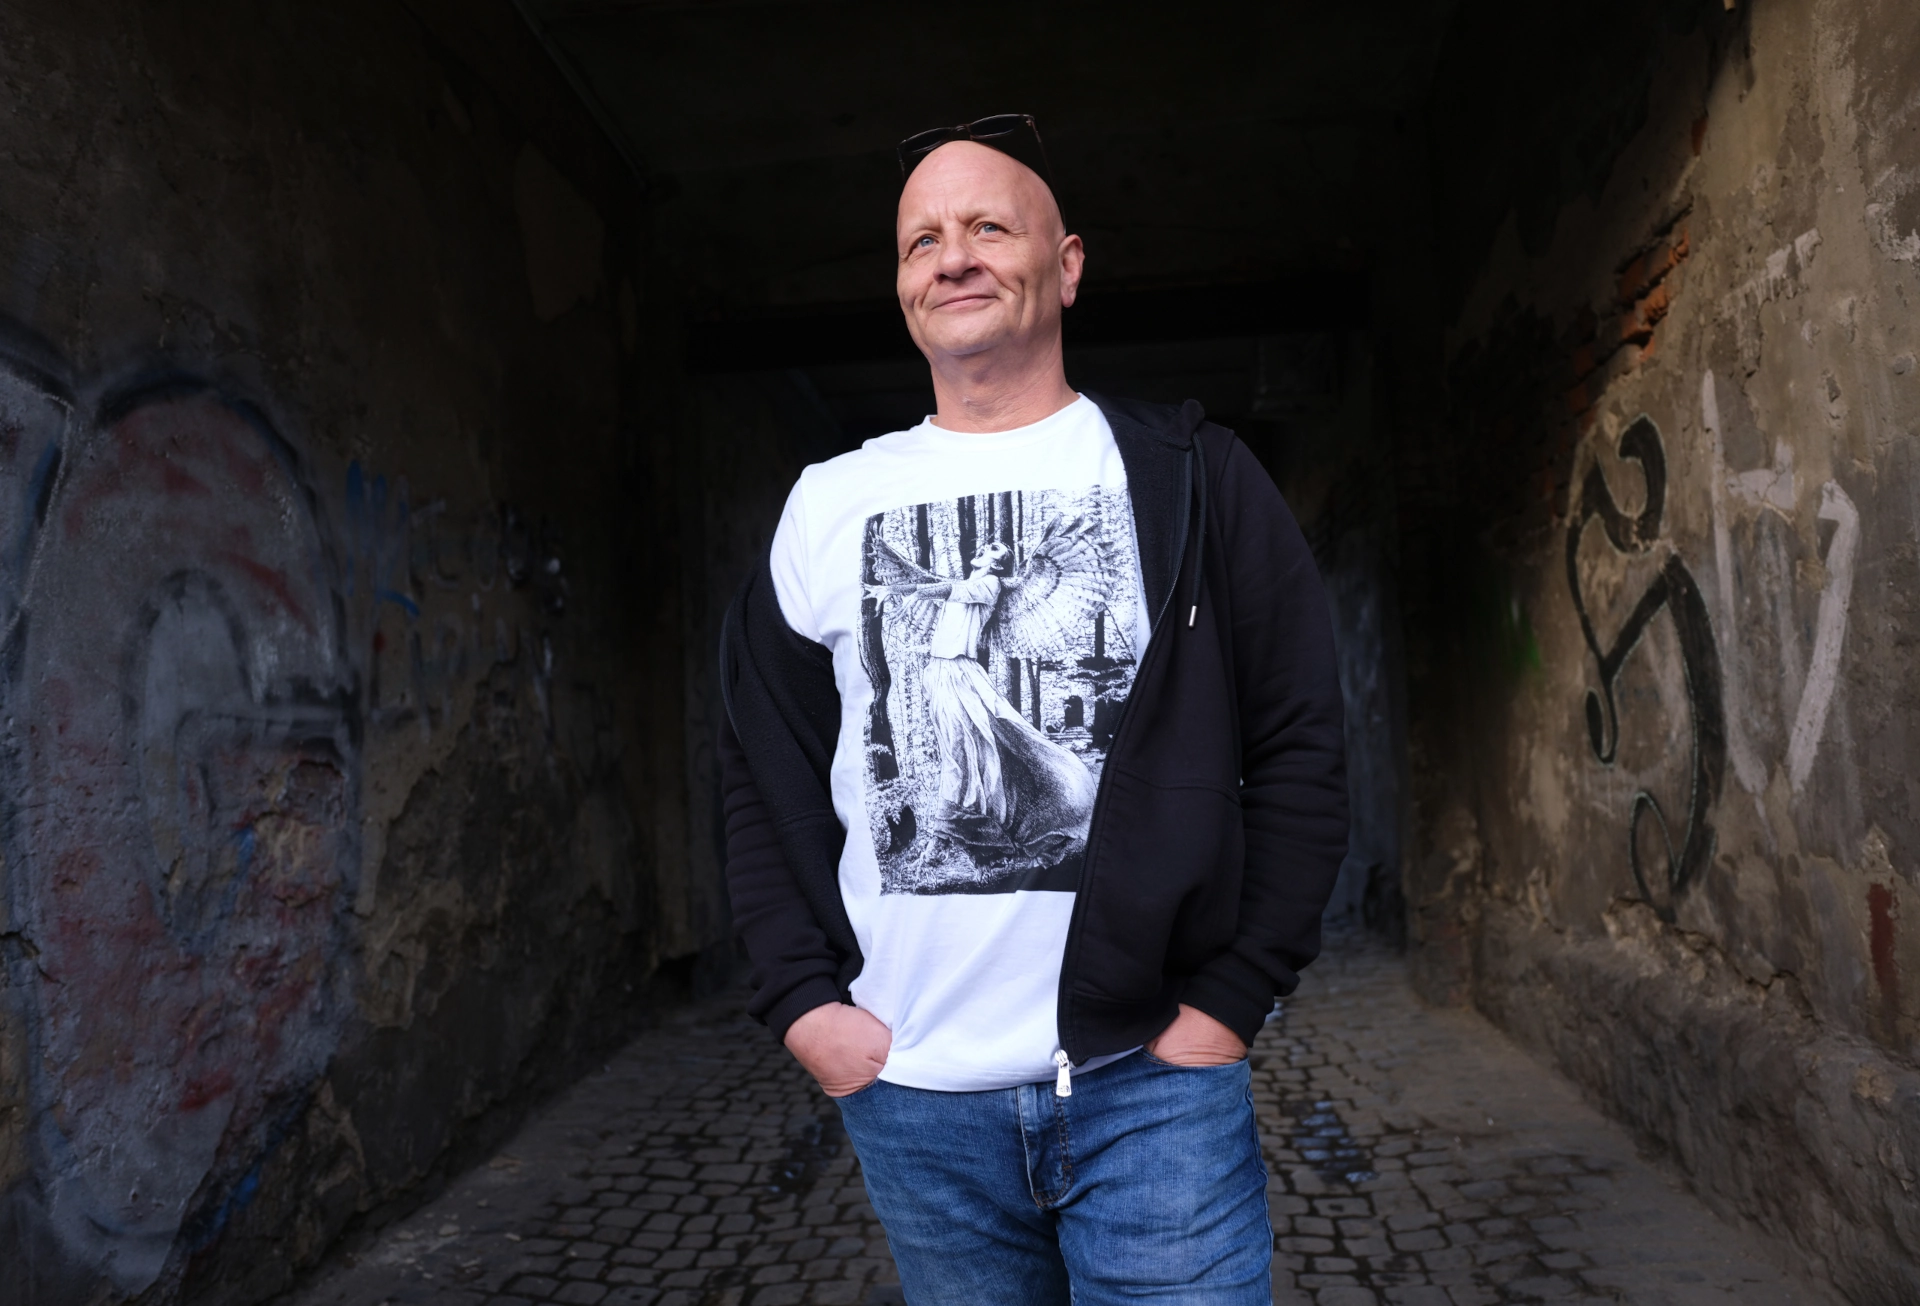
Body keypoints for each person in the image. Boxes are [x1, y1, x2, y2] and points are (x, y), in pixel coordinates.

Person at [718, 114, 1348, 1305]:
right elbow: (761, 770)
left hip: (1151, 1083)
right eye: (922, 240)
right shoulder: (826, 504)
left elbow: (1301, 742)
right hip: (914, 1096)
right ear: (902, 287)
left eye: (988, 228)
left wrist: (1229, 998)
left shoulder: (1194, 479)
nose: (952, 257)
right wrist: (805, 1008)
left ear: (1065, 266)